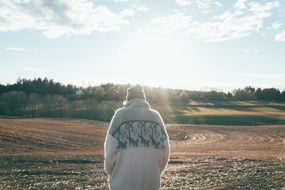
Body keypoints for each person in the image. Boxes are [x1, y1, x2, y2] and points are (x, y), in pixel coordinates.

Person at [104, 84, 170, 190]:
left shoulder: (120, 116)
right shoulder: (156, 117)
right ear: (144, 99)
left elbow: (110, 153)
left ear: (127, 99)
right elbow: (166, 151)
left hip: (123, 184)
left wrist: (113, 172)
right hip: (151, 183)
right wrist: (155, 172)